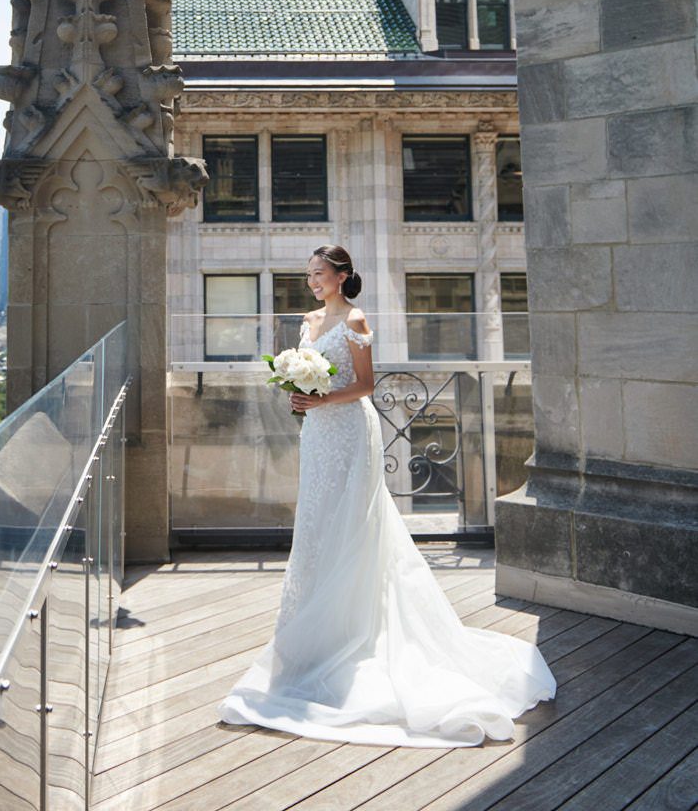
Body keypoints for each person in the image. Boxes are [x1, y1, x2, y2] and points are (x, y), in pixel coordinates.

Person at [217, 244, 556, 747]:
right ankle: (313, 636)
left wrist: (320, 397)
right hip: (317, 433)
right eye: (308, 274)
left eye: (320, 273)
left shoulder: (355, 320)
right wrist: (298, 394)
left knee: (351, 523)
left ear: (343, 275)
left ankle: (353, 630)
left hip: (351, 431)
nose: (312, 281)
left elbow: (365, 386)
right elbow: (302, 371)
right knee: (315, 523)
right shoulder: (308, 319)